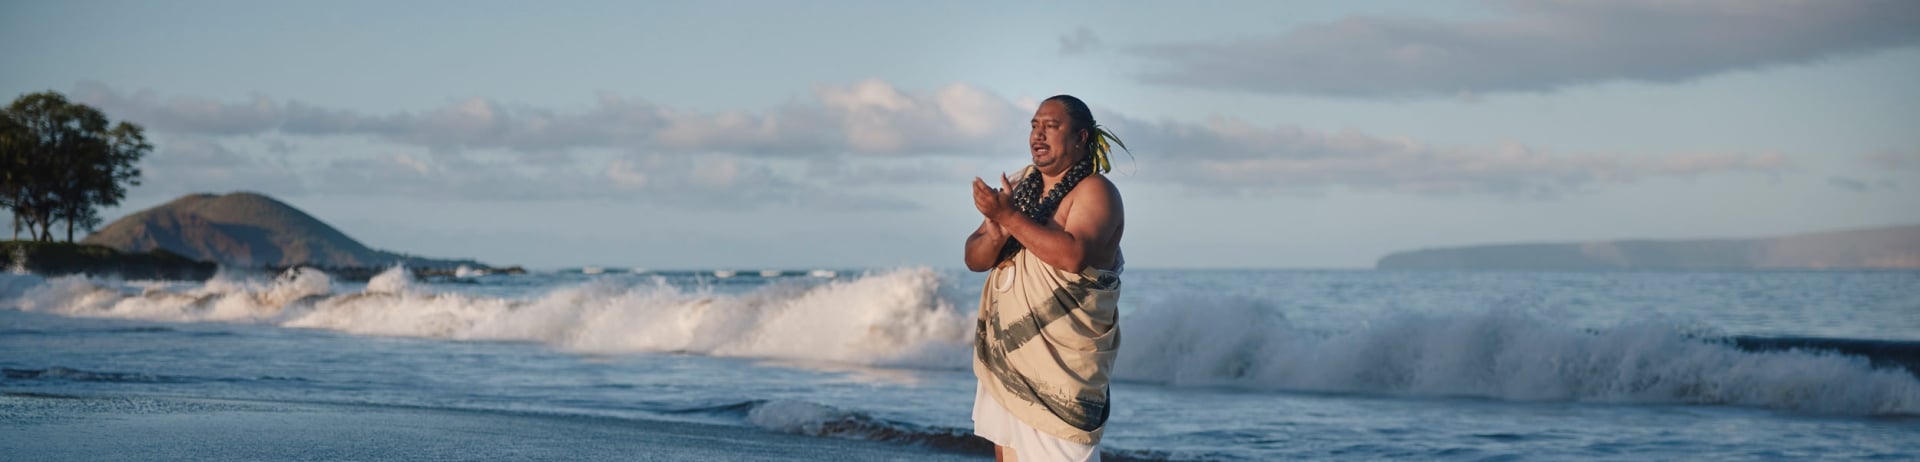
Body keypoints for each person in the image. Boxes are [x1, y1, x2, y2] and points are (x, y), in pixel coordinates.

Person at [965, 95, 1126, 462]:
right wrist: (995, 232)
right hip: (1011, 356)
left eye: (1051, 127)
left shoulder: (1096, 191)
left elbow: (1072, 257)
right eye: (1035, 126)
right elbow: (973, 258)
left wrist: (1009, 218)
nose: (1038, 135)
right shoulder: (1022, 186)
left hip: (1062, 366)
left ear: (1081, 138)